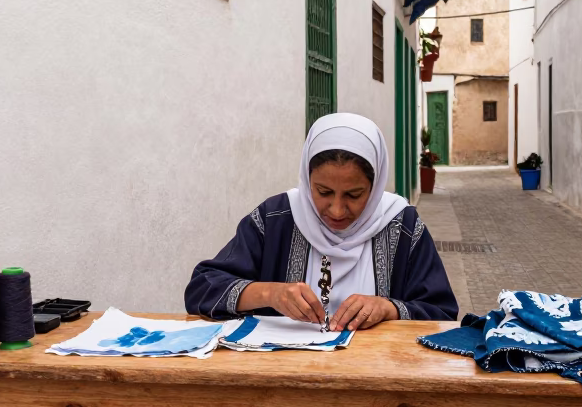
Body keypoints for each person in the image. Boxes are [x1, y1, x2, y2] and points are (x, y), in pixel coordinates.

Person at [185, 113, 458, 329]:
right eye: (323, 192)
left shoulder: (402, 226)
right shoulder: (276, 218)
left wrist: (390, 308)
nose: (337, 210)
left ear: (375, 188)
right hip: (280, 384)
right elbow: (201, 289)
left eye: (354, 195)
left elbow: (443, 314)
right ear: (307, 180)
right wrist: (268, 294)